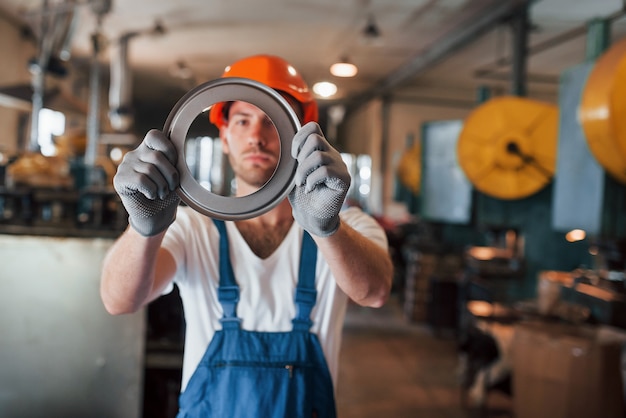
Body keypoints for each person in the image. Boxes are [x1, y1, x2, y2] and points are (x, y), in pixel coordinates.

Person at [100, 54, 393, 417]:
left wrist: (327, 227)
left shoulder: (349, 226)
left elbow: (376, 292)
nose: (257, 136)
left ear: (303, 136)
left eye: (272, 121)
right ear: (224, 137)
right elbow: (118, 300)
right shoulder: (192, 228)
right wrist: (144, 228)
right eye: (242, 120)